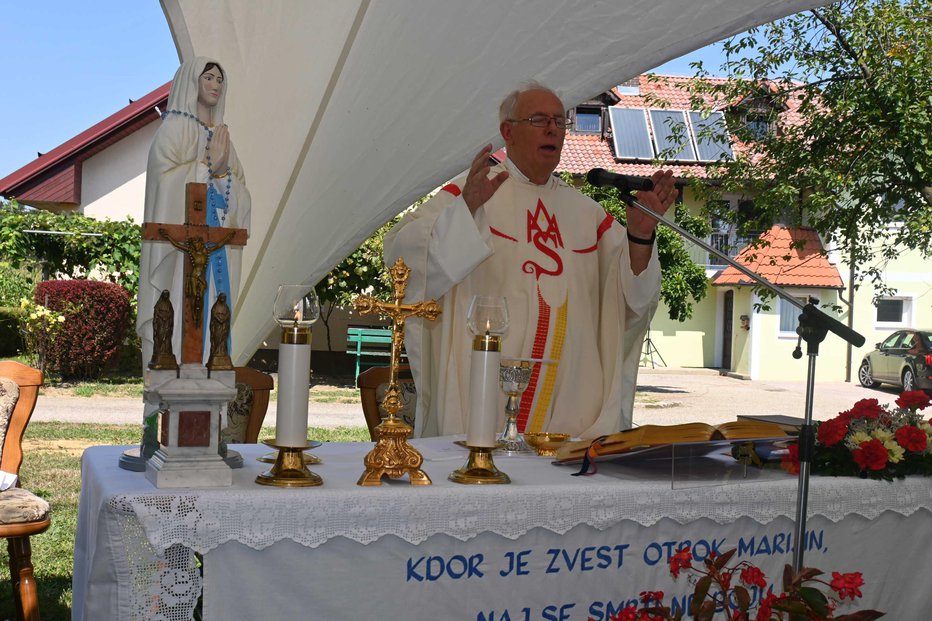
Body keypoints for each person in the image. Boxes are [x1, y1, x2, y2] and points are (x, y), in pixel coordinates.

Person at [383, 81, 677, 439]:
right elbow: (403, 254)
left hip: (572, 406)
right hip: (483, 393)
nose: (553, 128)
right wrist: (466, 211)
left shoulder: (587, 214)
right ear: (508, 131)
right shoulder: (473, 189)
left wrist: (641, 234)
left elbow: (631, 300)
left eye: (559, 121)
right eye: (539, 120)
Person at [137, 57, 251, 368]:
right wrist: (205, 167)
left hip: (216, 254)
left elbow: (240, 195)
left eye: (220, 79)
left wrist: (223, 172)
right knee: (177, 310)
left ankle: (208, 369)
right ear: (192, 82)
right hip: (178, 255)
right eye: (209, 77)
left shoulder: (223, 137)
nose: (216, 84)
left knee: (216, 311)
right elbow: (162, 185)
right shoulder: (173, 130)